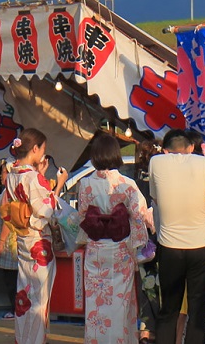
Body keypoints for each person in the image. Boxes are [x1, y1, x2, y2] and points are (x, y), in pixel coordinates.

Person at [150, 129, 205, 344]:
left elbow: (155, 197)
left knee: (169, 311)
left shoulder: (156, 162)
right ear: (191, 147)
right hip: (201, 246)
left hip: (170, 246)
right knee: (198, 312)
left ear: (166, 150)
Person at [76, 133, 148, 343]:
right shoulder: (127, 184)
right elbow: (138, 215)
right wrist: (138, 244)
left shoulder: (85, 184)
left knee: (96, 302)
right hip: (120, 249)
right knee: (120, 303)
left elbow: (82, 215)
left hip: (96, 248)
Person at [3, 128, 68, 344]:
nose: (43, 154)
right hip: (39, 242)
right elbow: (46, 210)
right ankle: (36, 340)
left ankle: (23, 339)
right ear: (34, 148)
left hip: (23, 240)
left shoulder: (12, 173)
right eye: (42, 149)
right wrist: (57, 185)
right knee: (39, 299)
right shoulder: (33, 177)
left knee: (24, 296)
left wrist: (39, 174)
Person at [135, 139, 163, 344]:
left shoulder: (136, 181)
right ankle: (157, 330)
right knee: (160, 287)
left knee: (146, 287)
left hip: (142, 243)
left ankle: (145, 331)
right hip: (159, 240)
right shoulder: (160, 181)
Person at [0, 158, 18, 320]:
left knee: (13, 279)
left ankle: (17, 309)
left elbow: (7, 219)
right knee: (11, 278)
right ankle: (16, 308)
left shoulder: (10, 193)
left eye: (4, 172)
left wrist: (1, 243)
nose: (2, 175)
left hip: (10, 242)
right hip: (10, 243)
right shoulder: (6, 191)